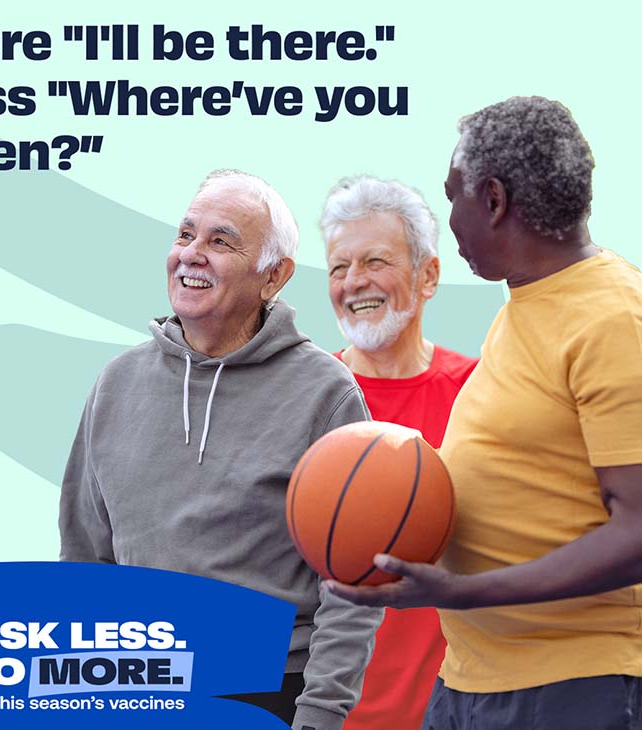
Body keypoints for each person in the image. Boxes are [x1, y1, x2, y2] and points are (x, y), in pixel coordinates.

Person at [327, 97, 642, 729]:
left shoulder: (613, 319)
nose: (451, 217)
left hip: (572, 686)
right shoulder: (528, 307)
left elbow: (638, 531)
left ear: (493, 200)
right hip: (475, 680)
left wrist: (462, 591)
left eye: (454, 196)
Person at [59, 169, 382, 730]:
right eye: (186, 235)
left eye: (221, 241)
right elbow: (85, 562)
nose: (193, 255)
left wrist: (319, 717)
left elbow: (355, 584)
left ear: (273, 276)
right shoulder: (115, 383)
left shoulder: (326, 394)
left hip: (267, 693)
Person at [320, 175, 477, 730]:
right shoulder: (300, 397)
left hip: (452, 713)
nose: (354, 282)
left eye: (375, 261)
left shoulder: (482, 394)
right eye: (339, 267)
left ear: (428, 274)